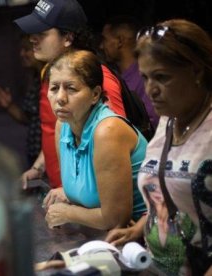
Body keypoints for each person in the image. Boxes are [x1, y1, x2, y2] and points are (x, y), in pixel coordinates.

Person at [105, 19, 212, 275]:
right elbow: (170, 195)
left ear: (196, 71)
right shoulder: (168, 120)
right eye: (145, 77)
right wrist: (139, 228)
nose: (150, 90)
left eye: (161, 77)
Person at [14, 0, 126, 190]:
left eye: (41, 33)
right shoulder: (53, 73)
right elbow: (57, 128)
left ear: (67, 38)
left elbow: (117, 142)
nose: (32, 38)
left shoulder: (98, 78)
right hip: (66, 193)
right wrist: (39, 166)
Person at [42, 49, 147, 230]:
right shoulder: (63, 125)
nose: (60, 98)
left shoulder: (108, 131)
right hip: (102, 237)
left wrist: (66, 213)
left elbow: (115, 220)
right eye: (54, 88)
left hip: (144, 240)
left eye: (71, 88)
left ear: (95, 94)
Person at [0, 35, 44, 165]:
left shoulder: (52, 80)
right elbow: (30, 119)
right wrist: (8, 106)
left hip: (48, 157)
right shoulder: (35, 80)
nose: (22, 54)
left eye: (26, 49)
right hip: (35, 155)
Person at [100, 15, 159, 129]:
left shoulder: (144, 77)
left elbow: (153, 120)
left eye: (105, 39)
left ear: (120, 41)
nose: (101, 46)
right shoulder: (115, 76)